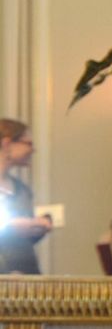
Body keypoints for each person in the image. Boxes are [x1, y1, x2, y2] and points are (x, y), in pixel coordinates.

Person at [0, 118, 50, 275]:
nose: (33, 150)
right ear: (7, 143)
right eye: (28, 143)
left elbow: (19, 241)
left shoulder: (22, 189)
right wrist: (10, 228)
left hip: (26, 279)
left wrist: (37, 229)